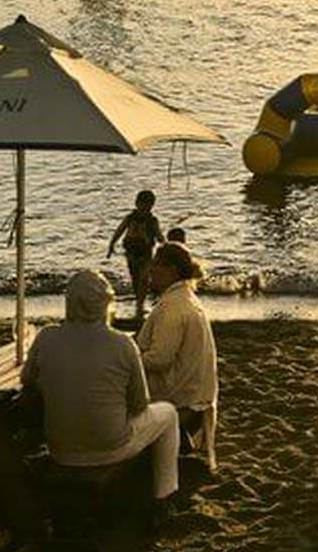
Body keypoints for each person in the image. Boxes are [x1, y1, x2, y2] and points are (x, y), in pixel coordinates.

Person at [22, 269, 179, 503]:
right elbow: (139, 404)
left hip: (61, 449)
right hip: (110, 447)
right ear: (106, 305)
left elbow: (26, 379)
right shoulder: (122, 344)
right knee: (168, 413)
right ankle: (164, 495)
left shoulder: (46, 337)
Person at [137, 241, 218, 457]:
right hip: (198, 398)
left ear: (171, 270)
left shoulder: (171, 307)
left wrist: (129, 357)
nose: (150, 270)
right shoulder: (187, 298)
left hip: (184, 404)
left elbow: (160, 359)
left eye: (156, 264)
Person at [107, 189, 164, 322]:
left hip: (146, 252)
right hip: (131, 252)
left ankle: (140, 303)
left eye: (149, 205)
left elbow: (158, 235)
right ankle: (139, 301)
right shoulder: (130, 218)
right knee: (135, 277)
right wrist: (111, 245)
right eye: (143, 204)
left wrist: (165, 244)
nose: (145, 208)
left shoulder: (152, 221)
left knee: (144, 277)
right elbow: (119, 230)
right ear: (137, 204)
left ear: (152, 206)